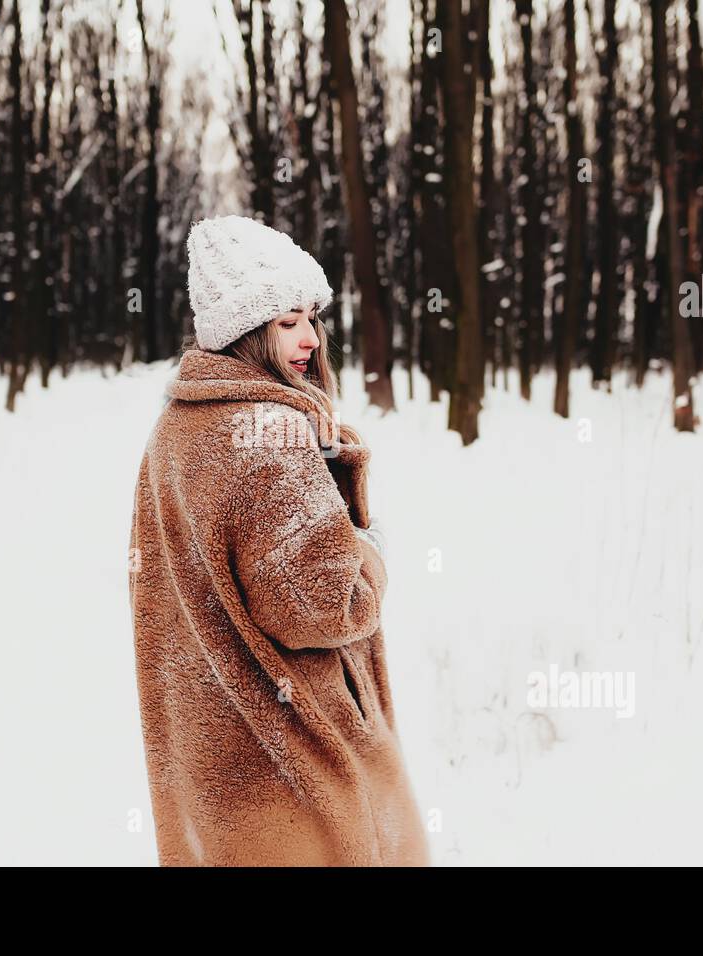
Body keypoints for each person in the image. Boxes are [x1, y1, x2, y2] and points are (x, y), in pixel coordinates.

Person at [127, 214, 431, 866]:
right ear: (244, 328)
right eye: (286, 320)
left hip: (218, 780)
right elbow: (325, 605)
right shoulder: (270, 431)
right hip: (298, 784)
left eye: (311, 317)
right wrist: (369, 548)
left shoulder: (174, 432)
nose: (310, 338)